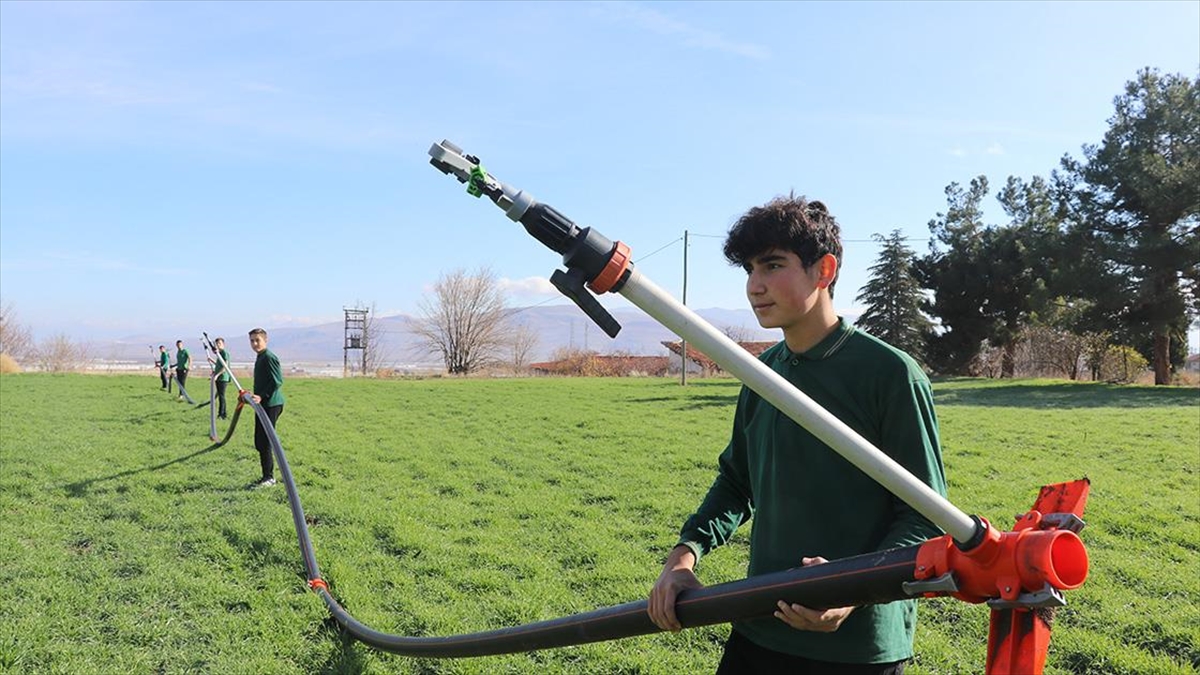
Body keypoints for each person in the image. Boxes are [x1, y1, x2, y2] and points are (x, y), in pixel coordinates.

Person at [646, 195, 948, 675]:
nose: (754, 285)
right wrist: (685, 554)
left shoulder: (889, 374)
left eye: (772, 265)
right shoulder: (761, 372)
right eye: (748, 269)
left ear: (824, 270)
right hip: (759, 624)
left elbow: (926, 514)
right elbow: (737, 482)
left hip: (856, 648)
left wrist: (852, 587)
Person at [248, 327, 284, 489]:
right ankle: (265, 476)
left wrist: (262, 396)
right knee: (260, 441)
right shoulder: (260, 357)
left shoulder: (269, 357)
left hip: (271, 404)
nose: (255, 343)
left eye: (258, 340)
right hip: (262, 403)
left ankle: (269, 478)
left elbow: (277, 381)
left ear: (265, 340)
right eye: (252, 341)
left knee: (265, 441)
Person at [207, 337, 231, 420]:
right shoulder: (219, 354)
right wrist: (212, 361)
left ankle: (222, 414)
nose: (218, 345)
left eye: (219, 344)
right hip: (219, 378)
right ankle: (222, 413)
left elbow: (225, 366)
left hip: (223, 378)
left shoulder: (224, 353)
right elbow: (219, 365)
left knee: (221, 396)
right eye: (217, 344)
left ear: (223, 344)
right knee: (221, 396)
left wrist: (217, 375)